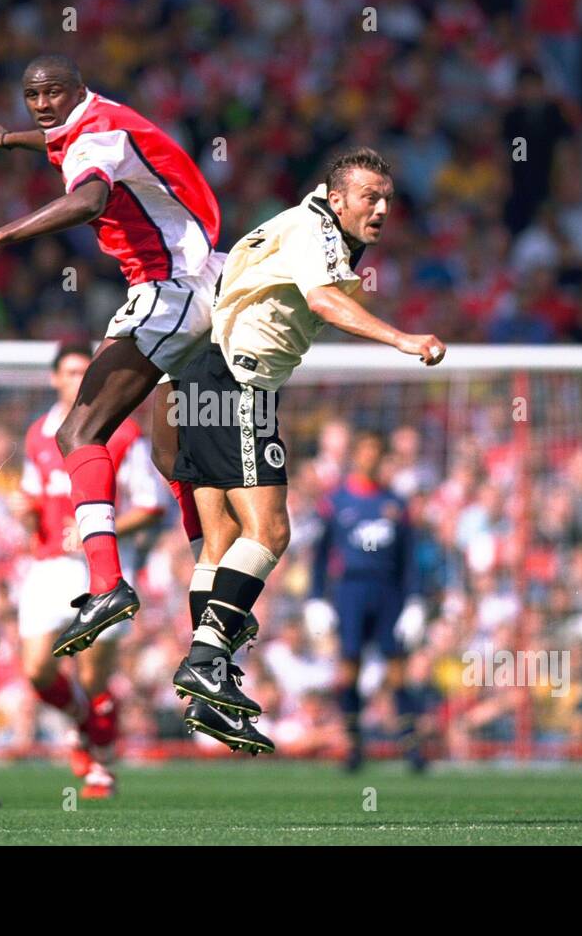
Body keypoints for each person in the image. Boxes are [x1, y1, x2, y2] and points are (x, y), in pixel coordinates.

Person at [170, 147, 445, 752]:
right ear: (336, 195)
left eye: (388, 200)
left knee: (220, 543)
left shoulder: (302, 227)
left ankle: (205, 691)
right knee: (269, 533)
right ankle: (205, 662)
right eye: (369, 196)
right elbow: (322, 300)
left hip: (198, 381)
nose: (380, 209)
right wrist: (401, 339)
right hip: (238, 384)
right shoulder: (313, 228)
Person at [0, 54, 220, 657]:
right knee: (175, 457)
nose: (42, 105)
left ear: (78, 89)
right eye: (32, 96)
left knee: (78, 431)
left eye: (52, 93)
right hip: (202, 279)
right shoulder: (93, 119)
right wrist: (8, 140)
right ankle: (215, 613)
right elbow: (57, 137)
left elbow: (90, 200)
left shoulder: (93, 138)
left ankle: (106, 584)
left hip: (172, 285)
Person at [16, 342, 167, 798]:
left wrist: (97, 529)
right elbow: (32, 495)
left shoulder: (123, 433)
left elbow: (151, 505)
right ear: (54, 378)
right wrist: (25, 511)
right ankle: (85, 721)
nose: (76, 379)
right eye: (69, 372)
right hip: (48, 566)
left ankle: (99, 764)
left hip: (98, 568)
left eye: (85, 371)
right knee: (38, 670)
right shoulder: (37, 434)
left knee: (92, 675)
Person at [307, 430, 426, 772]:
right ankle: (353, 745)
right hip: (351, 591)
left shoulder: (395, 504)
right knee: (349, 666)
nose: (370, 457)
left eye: (377, 451)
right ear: (356, 455)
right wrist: (316, 598)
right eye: (365, 450)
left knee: (398, 670)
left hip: (388, 591)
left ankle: (412, 747)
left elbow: (408, 558)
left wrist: (415, 601)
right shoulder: (336, 501)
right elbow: (319, 556)